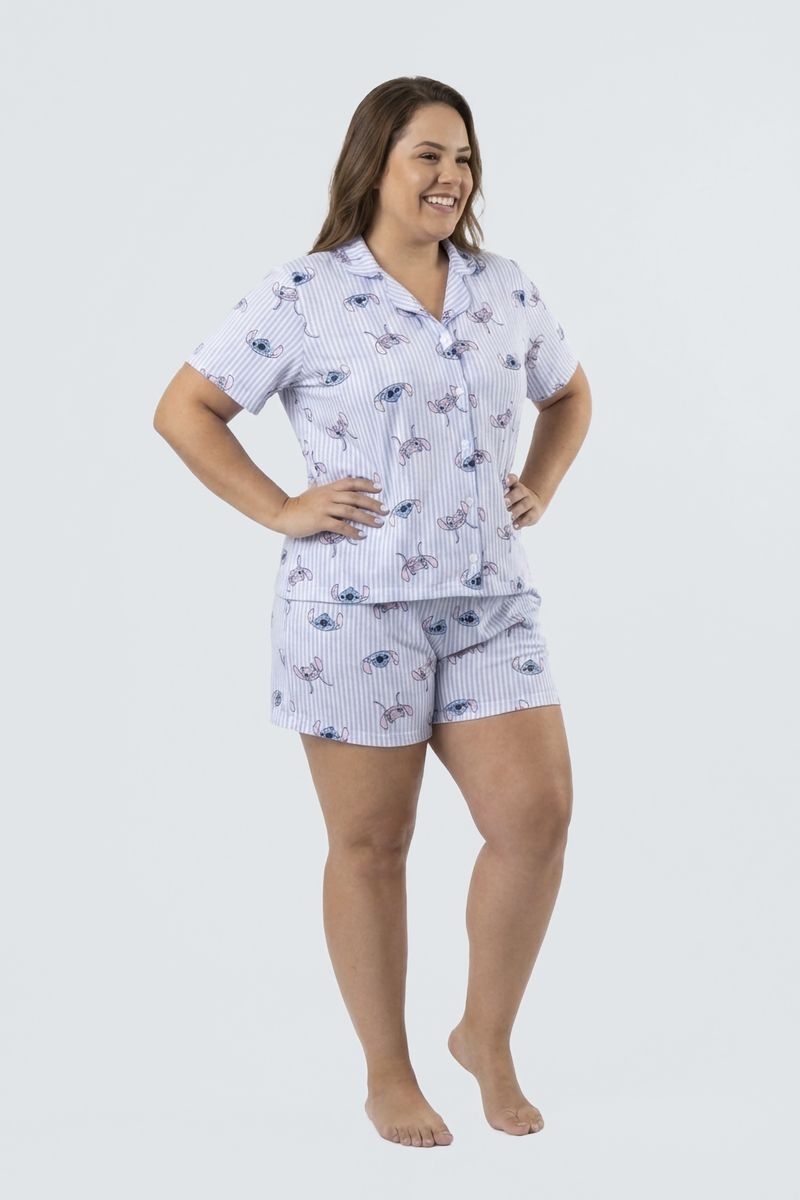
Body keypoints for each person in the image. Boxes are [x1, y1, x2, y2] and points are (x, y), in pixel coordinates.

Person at [154, 75, 592, 1148]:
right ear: (375, 165)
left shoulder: (502, 287)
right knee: (371, 844)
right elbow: (186, 408)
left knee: (534, 820)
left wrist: (540, 483)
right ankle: (387, 1073)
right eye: (427, 156)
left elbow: (569, 392)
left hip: (489, 601)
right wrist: (280, 507)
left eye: (463, 158)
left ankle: (483, 1036)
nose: (451, 177)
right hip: (352, 612)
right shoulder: (303, 294)